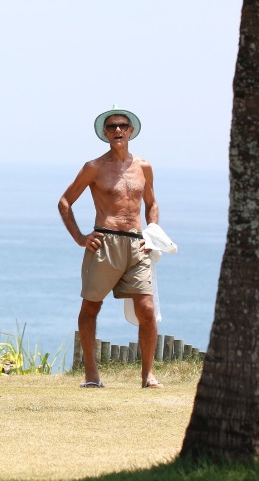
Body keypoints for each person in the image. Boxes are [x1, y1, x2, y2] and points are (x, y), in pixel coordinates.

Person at [57, 106, 162, 389]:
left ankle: (148, 376)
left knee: (147, 309)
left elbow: (152, 204)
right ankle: (92, 376)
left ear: (131, 131)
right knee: (90, 307)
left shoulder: (144, 166)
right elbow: (64, 201)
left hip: (137, 245)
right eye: (112, 126)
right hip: (104, 242)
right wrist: (80, 237)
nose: (118, 130)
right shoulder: (94, 167)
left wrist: (152, 233)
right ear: (104, 133)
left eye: (123, 126)